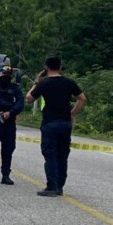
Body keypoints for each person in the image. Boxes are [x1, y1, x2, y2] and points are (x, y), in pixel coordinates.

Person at [25, 55, 86, 197]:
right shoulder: (69, 82)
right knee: (62, 155)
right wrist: (72, 113)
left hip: (50, 123)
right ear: (60, 67)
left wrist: (36, 82)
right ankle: (59, 186)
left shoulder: (44, 83)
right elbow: (82, 99)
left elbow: (28, 99)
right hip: (65, 123)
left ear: (46, 68)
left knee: (50, 154)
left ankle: (51, 186)